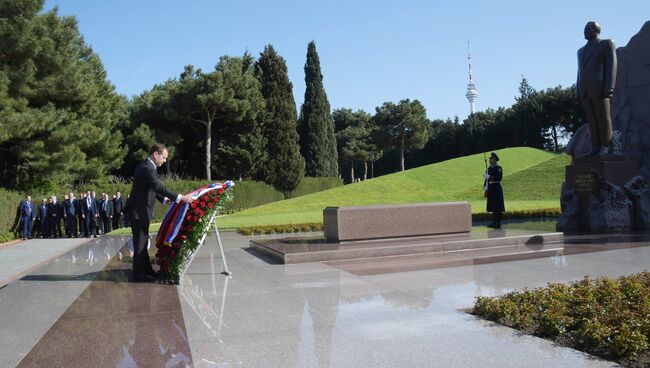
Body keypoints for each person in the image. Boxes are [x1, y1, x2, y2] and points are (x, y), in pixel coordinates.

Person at [127, 143, 193, 282]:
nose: (164, 161)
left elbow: (150, 189)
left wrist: (163, 200)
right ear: (155, 154)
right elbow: (158, 186)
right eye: (163, 157)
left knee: (143, 242)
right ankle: (139, 275)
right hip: (139, 212)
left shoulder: (147, 166)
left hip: (140, 211)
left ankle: (146, 271)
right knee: (140, 243)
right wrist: (181, 198)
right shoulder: (147, 169)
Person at [577, 21, 617, 156]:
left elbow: (612, 65)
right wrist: (578, 88)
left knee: (603, 117)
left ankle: (606, 147)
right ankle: (595, 147)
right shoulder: (580, 51)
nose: (584, 31)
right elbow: (580, 71)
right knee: (591, 120)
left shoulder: (606, 44)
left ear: (595, 31)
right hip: (585, 90)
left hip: (600, 88)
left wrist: (609, 87)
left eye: (587, 28)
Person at [484, 152, 505, 229]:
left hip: (496, 188)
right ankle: (494, 222)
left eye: (491, 159)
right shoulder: (489, 168)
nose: (490, 160)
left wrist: (488, 176)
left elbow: (498, 178)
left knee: (498, 206)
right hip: (491, 188)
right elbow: (487, 180)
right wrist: (485, 186)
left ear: (495, 160)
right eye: (490, 159)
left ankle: (498, 222)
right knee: (493, 206)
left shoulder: (498, 168)